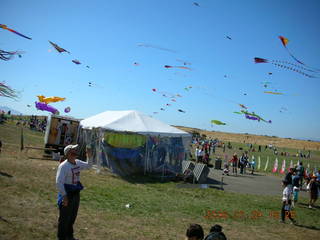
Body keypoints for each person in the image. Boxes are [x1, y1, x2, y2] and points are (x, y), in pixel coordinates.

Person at [56, 144, 93, 240]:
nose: (76, 152)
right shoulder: (64, 166)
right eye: (73, 151)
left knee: (72, 216)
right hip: (67, 194)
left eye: (76, 150)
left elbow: (89, 166)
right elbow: (59, 182)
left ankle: (69, 235)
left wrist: (89, 156)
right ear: (68, 154)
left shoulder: (77, 163)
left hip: (75, 193)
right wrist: (64, 196)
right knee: (65, 217)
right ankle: (62, 237)